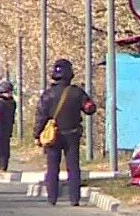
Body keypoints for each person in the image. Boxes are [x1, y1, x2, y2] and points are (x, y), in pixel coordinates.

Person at [33, 59, 96, 206]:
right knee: (73, 167)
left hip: (53, 136)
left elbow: (41, 116)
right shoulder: (77, 92)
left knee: (52, 167)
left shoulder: (48, 95)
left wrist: (37, 134)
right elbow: (90, 109)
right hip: (72, 134)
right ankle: (74, 198)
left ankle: (52, 198)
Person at [0, 80, 17, 170]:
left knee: (6, 150)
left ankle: (3, 167)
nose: (10, 94)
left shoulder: (12, 102)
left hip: (7, 128)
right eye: (8, 92)